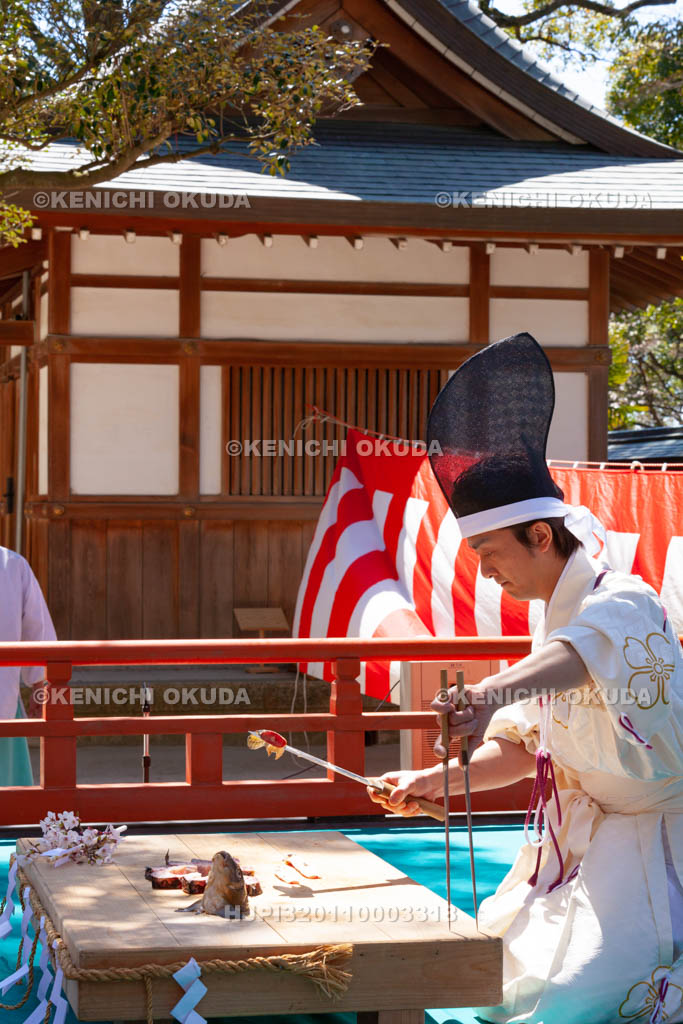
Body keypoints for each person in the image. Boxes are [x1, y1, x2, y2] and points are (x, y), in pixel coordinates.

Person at [369, 333, 683, 1024]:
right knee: (498, 971)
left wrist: (485, 693)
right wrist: (434, 782)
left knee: (572, 997)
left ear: (540, 537)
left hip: (655, 846)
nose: (486, 571)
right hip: (577, 843)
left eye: (489, 551)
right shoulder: (551, 625)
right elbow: (522, 748)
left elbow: (583, 653)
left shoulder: (621, 601)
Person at [0, 545, 57, 786]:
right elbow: (38, 628)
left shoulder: (12, 564)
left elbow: (37, 628)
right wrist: (39, 681)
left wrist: (39, 682)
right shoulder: (10, 563)